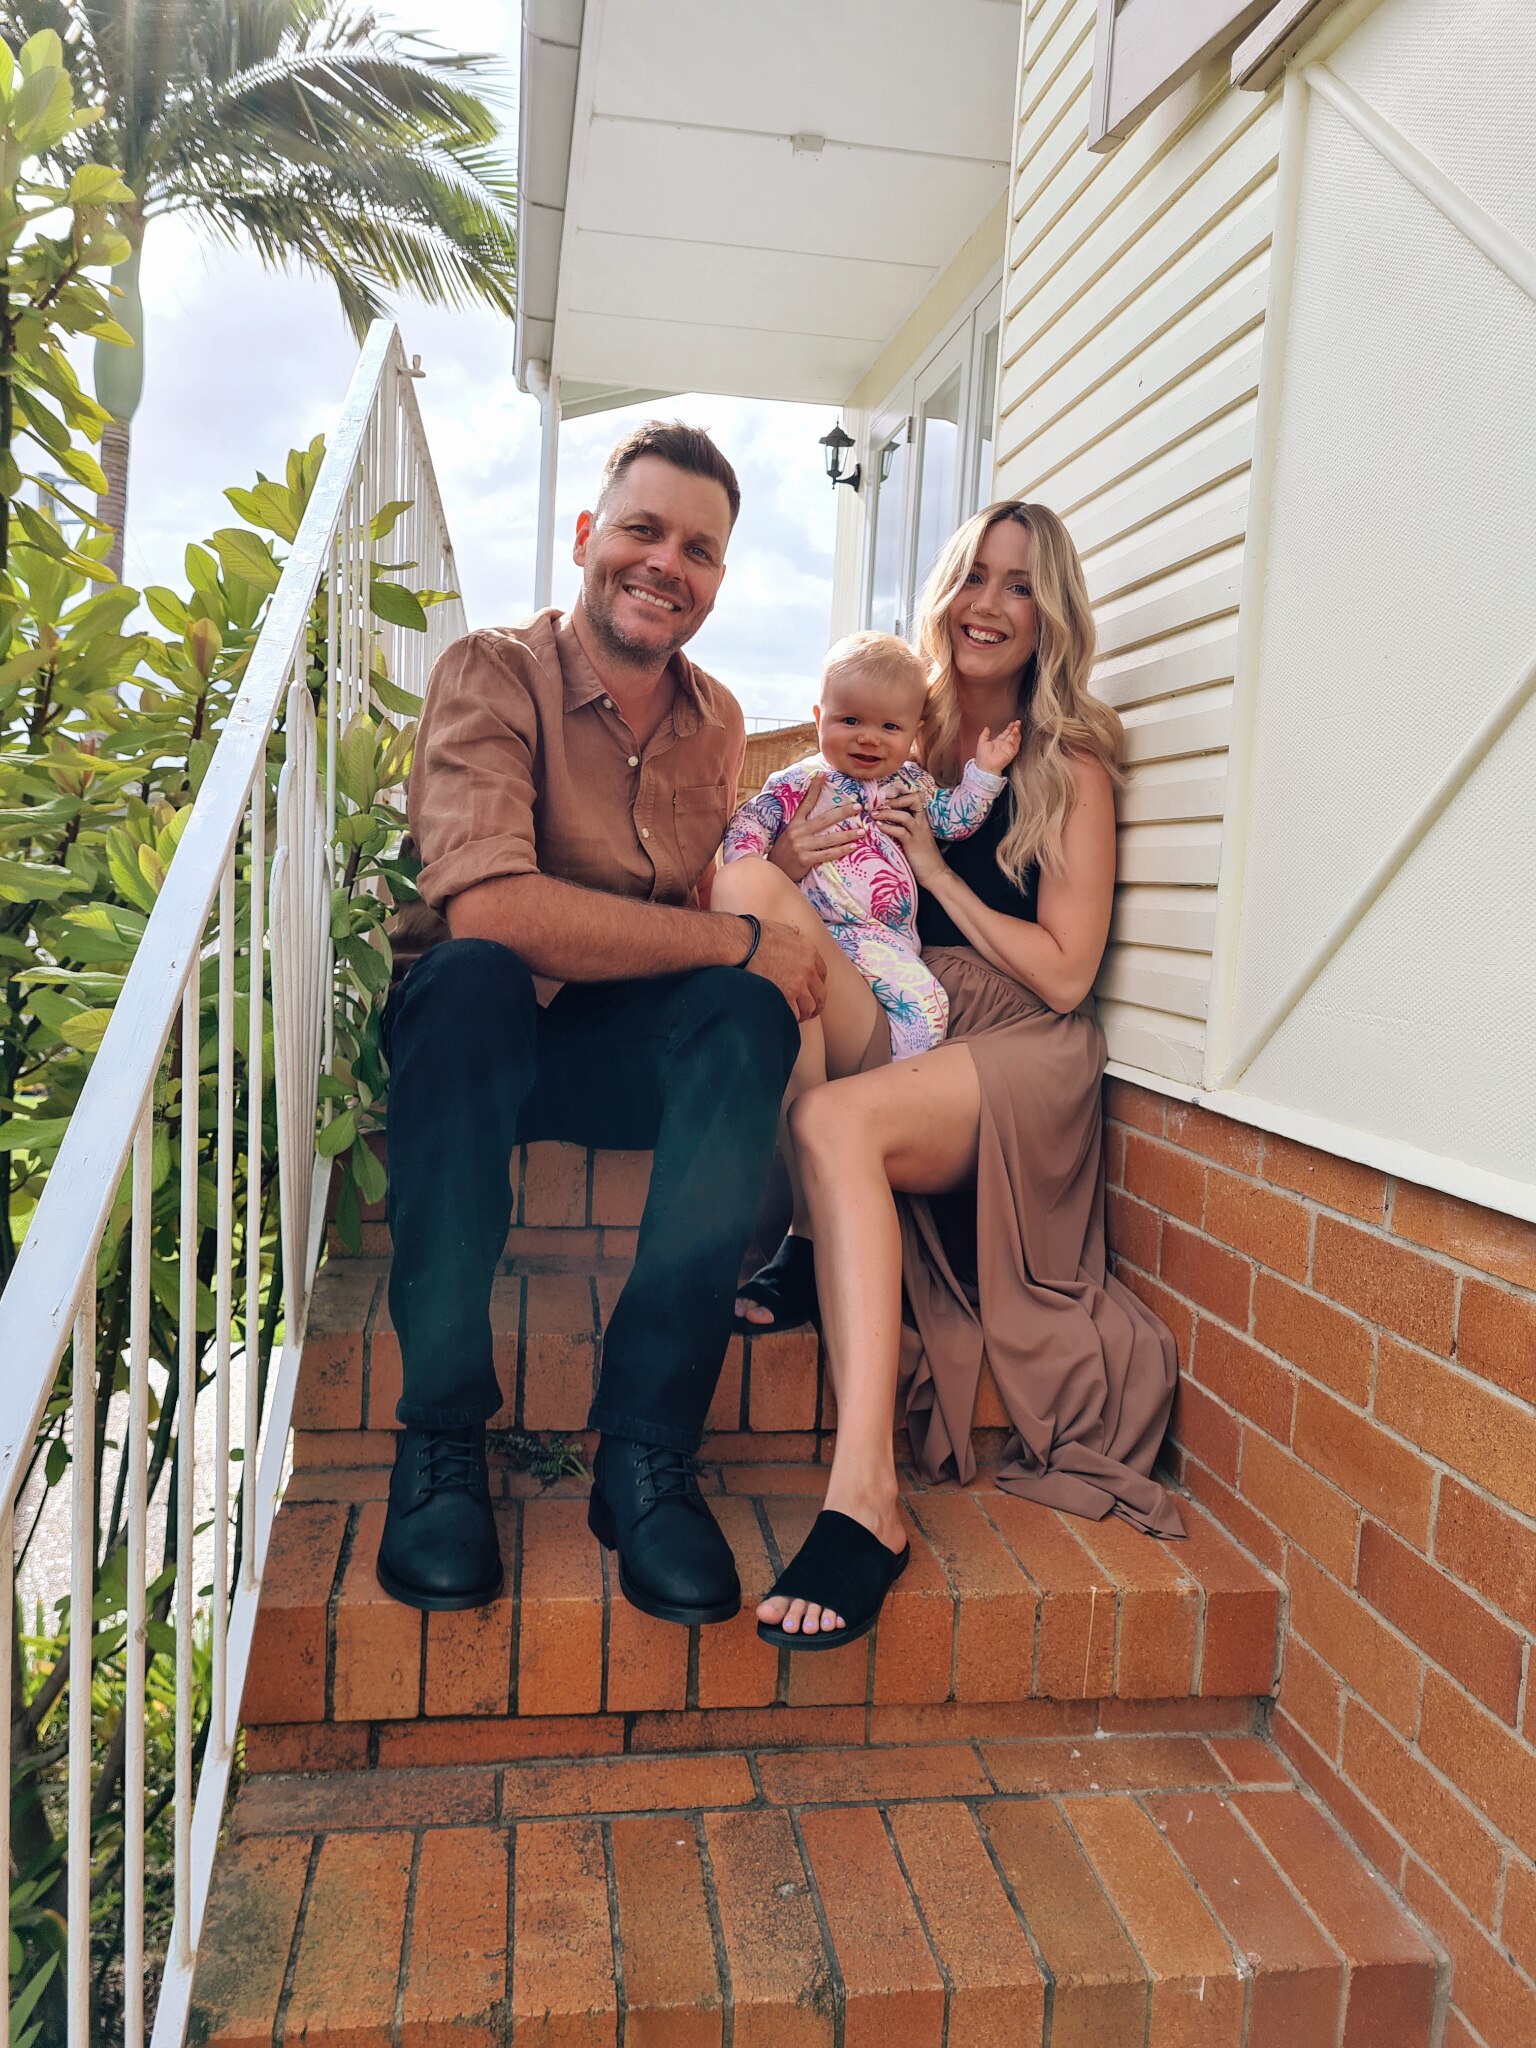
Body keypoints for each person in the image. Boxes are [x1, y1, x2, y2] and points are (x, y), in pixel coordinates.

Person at [376, 421, 823, 1625]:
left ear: (719, 581)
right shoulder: (490, 671)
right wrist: (738, 938)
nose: (665, 562)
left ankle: (643, 1453)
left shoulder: (718, 720)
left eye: (699, 547)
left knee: (742, 1014)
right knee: (469, 971)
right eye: (643, 528)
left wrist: (766, 926)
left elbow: (689, 907)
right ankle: (440, 1437)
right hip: (475, 1055)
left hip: (605, 1045)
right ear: (588, 536)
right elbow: (494, 904)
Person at [723, 501, 1183, 1652]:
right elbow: (791, 878)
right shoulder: (893, 732)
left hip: (1020, 1041)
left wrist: (940, 868)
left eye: (1019, 584)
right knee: (745, 901)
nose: (988, 601)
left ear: (1050, 613)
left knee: (834, 1121)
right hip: (909, 1002)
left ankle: (865, 1499)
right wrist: (787, 858)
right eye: (974, 575)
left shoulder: (1066, 760)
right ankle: (804, 1229)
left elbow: (1070, 976)